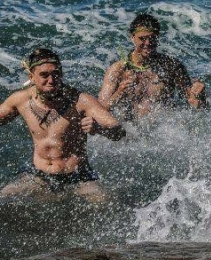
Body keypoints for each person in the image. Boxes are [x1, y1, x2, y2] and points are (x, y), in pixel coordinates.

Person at [0, 48, 125, 202]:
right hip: (37, 175)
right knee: (4, 197)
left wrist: (99, 129)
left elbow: (119, 131)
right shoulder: (21, 101)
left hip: (78, 177)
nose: (51, 80)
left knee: (106, 203)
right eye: (44, 75)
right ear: (31, 77)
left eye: (56, 74)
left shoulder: (80, 101)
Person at [98, 13, 207, 119]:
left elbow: (196, 105)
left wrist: (200, 95)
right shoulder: (118, 70)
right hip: (129, 129)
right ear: (132, 37)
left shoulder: (172, 66)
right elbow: (100, 111)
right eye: (142, 38)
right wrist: (120, 91)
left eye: (152, 38)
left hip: (164, 131)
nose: (147, 43)